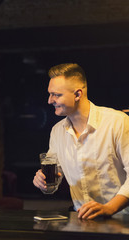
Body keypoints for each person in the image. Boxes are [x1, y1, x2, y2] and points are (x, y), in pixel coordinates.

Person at [33, 63, 129, 219]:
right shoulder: (57, 131)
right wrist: (44, 182)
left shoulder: (118, 122)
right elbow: (54, 180)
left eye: (56, 95)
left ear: (77, 94)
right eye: (50, 94)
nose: (50, 100)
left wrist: (109, 208)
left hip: (123, 221)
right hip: (82, 220)